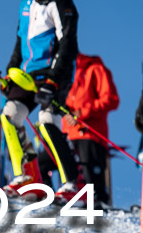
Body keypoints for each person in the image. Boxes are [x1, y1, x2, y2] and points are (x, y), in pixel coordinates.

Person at [0, 0, 79, 203]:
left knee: (47, 121)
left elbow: (67, 44)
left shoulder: (61, 1)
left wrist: (54, 81)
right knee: (11, 115)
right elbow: (19, 42)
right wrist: (11, 72)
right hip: (27, 74)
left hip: (54, 72)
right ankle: (27, 178)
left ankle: (71, 185)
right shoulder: (26, 4)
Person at [38, 54, 119, 208]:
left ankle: (99, 204)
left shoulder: (95, 69)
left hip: (90, 134)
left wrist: (81, 113)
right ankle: (49, 200)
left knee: (91, 176)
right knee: (43, 163)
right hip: (68, 135)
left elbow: (111, 99)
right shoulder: (64, 77)